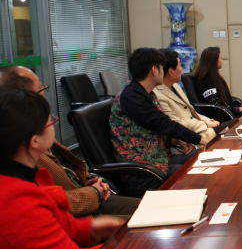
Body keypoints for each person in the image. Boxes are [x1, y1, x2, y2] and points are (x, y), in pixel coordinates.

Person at [0, 90, 123, 249]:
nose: (54, 122)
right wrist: (123, 247)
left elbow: (48, 226)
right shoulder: (15, 197)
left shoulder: (19, 177)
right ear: (35, 140)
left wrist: (90, 227)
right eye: (50, 120)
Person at [0, 66, 140, 220]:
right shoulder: (22, 150)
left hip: (88, 198)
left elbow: (70, 171)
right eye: (42, 88)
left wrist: (88, 181)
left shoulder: (32, 131)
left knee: (153, 211)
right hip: (82, 212)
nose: (45, 94)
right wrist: (93, 193)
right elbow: (53, 206)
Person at [110, 48, 210, 190]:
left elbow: (150, 129)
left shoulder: (144, 92)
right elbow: (165, 124)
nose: (163, 71)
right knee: (202, 174)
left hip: (160, 161)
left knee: (205, 157)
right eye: (162, 67)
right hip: (144, 172)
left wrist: (175, 141)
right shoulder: (131, 96)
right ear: (154, 70)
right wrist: (203, 140)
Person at [154, 49, 235, 141]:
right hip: (191, 135)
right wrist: (205, 124)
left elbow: (192, 112)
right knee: (235, 124)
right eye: (180, 65)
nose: (182, 68)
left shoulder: (176, 86)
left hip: (200, 126)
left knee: (236, 125)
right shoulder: (158, 95)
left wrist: (207, 120)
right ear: (171, 71)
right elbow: (175, 123)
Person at [195, 46, 242, 118]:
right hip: (223, 119)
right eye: (220, 58)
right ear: (213, 61)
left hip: (229, 114)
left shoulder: (216, 79)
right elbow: (218, 109)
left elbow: (227, 99)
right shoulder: (206, 83)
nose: (222, 60)